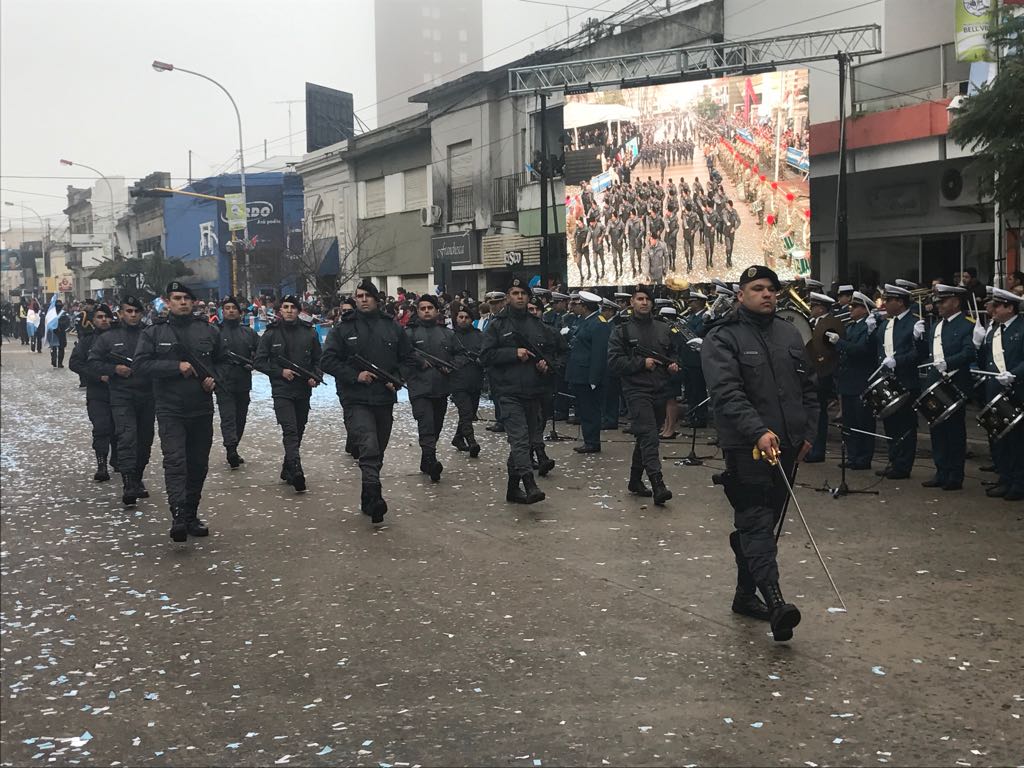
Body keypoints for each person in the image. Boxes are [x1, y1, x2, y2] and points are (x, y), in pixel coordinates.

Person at [701, 265, 817, 643]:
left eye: (771, 289)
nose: (766, 294)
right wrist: (758, 430)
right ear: (740, 295)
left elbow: (809, 389)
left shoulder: (789, 333)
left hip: (786, 446)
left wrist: (806, 433)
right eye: (757, 288)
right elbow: (726, 393)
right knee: (755, 522)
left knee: (763, 528)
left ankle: (744, 594)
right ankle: (777, 604)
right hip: (746, 447)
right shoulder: (723, 337)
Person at [133, 282, 222, 542]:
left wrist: (213, 379)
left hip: (201, 408)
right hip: (170, 408)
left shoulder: (208, 331)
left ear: (193, 302)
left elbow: (223, 361)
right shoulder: (154, 332)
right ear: (168, 302)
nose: (182, 302)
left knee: (198, 464)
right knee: (175, 461)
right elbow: (141, 365)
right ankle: (179, 515)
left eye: (186, 298)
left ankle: (192, 513)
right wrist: (175, 367)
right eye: (177, 298)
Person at [321, 279, 411, 524]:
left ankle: (366, 494)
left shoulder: (392, 328)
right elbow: (327, 360)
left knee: (378, 449)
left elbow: (408, 358)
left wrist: (398, 378)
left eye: (367, 296)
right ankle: (375, 495)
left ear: (376, 299)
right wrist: (355, 375)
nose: (362, 299)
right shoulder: (343, 329)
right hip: (356, 398)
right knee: (368, 445)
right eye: (359, 296)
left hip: (384, 398)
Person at [480, 276, 557, 505]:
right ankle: (528, 483)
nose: (520, 297)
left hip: (533, 390)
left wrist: (546, 365)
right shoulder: (497, 325)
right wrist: (513, 354)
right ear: (508, 297)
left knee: (530, 439)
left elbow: (555, 353)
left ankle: (513, 489)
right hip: (508, 391)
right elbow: (485, 356)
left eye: (523, 293)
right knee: (520, 439)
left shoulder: (537, 325)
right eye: (515, 293)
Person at [607, 284, 680, 506]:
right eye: (639, 299)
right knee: (649, 435)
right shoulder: (622, 331)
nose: (644, 302)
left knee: (646, 436)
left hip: (660, 388)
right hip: (636, 390)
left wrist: (674, 366)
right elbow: (614, 362)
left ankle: (635, 480)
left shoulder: (663, 328)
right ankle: (658, 483)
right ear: (632, 303)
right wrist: (641, 363)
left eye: (647, 299)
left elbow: (674, 354)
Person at [88, 295, 155, 506]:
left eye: (136, 311)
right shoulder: (109, 337)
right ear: (120, 313)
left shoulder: (150, 334)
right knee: (127, 438)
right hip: (121, 395)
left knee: (145, 440)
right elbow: (93, 362)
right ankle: (128, 482)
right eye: (128, 311)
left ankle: (137, 477)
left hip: (147, 394)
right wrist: (114, 369)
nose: (133, 315)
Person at [255, 295, 322, 493]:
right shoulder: (271, 334)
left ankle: (287, 467)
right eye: (286, 307)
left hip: (303, 390)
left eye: (293, 307)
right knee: (290, 430)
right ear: (280, 310)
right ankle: (297, 470)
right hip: (282, 391)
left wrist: (315, 376)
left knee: (299, 430)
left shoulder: (309, 333)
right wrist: (279, 372)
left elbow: (319, 360)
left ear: (298, 310)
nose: (289, 310)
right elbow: (259, 361)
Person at [916, 284, 974, 491]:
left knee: (954, 431)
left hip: (955, 384)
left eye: (943, 301)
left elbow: (969, 353)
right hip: (935, 382)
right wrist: (918, 338)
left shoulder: (968, 325)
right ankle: (941, 471)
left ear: (956, 302)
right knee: (937, 428)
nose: (938, 305)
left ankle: (954, 475)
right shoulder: (936, 327)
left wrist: (949, 363)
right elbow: (927, 354)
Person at [402, 294, 458, 483]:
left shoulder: (447, 334)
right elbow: (401, 356)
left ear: (436, 310)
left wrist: (450, 365)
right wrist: (417, 362)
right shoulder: (409, 334)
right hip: (419, 388)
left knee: (437, 426)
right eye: (423, 308)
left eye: (430, 308)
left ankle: (426, 459)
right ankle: (432, 460)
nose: (426, 311)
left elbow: (462, 355)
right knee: (426, 425)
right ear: (417, 312)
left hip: (441, 388)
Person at [975, 287, 1023, 500]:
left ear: (1010, 307)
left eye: (997, 306)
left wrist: (1015, 374)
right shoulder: (994, 330)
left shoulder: (1021, 328)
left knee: (1017, 442)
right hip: (995, 391)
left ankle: (1018, 483)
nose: (992, 310)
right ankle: (1005, 478)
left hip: (1018, 390)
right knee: (1000, 439)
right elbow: (987, 360)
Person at [825, 290, 878, 470]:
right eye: (851, 306)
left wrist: (839, 342)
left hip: (861, 380)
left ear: (865, 309)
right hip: (847, 380)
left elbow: (861, 350)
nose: (851, 309)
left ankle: (863, 458)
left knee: (863, 422)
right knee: (849, 422)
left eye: (855, 306)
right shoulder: (851, 326)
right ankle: (853, 455)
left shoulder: (868, 327)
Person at [875, 283, 921, 479]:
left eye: (889, 300)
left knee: (905, 425)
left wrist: (898, 361)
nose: (885, 303)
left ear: (900, 302)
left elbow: (918, 354)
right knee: (891, 424)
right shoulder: (886, 323)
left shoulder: (913, 323)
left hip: (905, 381)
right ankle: (894, 460)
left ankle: (903, 465)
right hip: (887, 381)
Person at [68, 303, 118, 482]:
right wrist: (98, 376)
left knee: (118, 429)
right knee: (102, 428)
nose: (104, 320)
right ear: (93, 320)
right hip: (98, 393)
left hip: (120, 391)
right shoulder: (87, 341)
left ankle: (117, 458)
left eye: (106, 316)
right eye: (99, 317)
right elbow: (75, 363)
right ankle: (101, 464)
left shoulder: (119, 337)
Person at [214, 296, 260, 468]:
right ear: (222, 311)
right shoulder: (215, 331)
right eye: (227, 308)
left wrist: (253, 363)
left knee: (240, 418)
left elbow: (260, 353)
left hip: (242, 382)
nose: (230, 310)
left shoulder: (248, 333)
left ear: (240, 313)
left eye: (233, 308)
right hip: (223, 382)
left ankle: (234, 445)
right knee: (228, 417)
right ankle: (231, 449)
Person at [566, 291, 610, 454]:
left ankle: (592, 442)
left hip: (588, 376)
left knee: (590, 410)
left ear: (584, 307)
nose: (575, 308)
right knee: (584, 409)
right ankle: (588, 440)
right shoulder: (586, 321)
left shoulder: (599, 323)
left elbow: (599, 353)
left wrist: (594, 378)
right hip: (580, 374)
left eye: (577, 305)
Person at [804, 292, 836, 463]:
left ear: (821, 308)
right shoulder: (812, 323)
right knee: (810, 414)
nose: (811, 309)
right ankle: (810, 448)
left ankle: (818, 450)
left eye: (813, 306)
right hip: (811, 373)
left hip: (822, 374)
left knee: (819, 414)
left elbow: (828, 352)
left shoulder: (830, 324)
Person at [450, 306, 484, 457]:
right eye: (460, 317)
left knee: (469, 413)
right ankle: (471, 441)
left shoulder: (479, 335)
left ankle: (458, 438)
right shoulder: (450, 336)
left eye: (466, 317)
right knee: (466, 412)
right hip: (457, 381)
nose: (463, 320)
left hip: (475, 380)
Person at [47, 300, 71, 368]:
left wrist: (60, 325)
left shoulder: (64, 313)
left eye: (60, 305)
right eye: (57, 305)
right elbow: (47, 321)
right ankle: (54, 361)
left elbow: (67, 322)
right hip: (53, 333)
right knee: (53, 348)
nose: (59, 306)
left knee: (61, 348)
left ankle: (60, 363)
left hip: (61, 333)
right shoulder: (51, 313)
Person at [722, 200, 741, 269]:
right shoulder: (724, 211)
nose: (726, 206)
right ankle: (728, 260)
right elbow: (724, 218)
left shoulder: (734, 212)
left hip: (732, 232)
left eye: (727, 205)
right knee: (728, 247)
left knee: (731, 247)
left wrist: (734, 228)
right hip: (726, 232)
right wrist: (727, 222)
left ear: (730, 206)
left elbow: (739, 221)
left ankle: (730, 258)